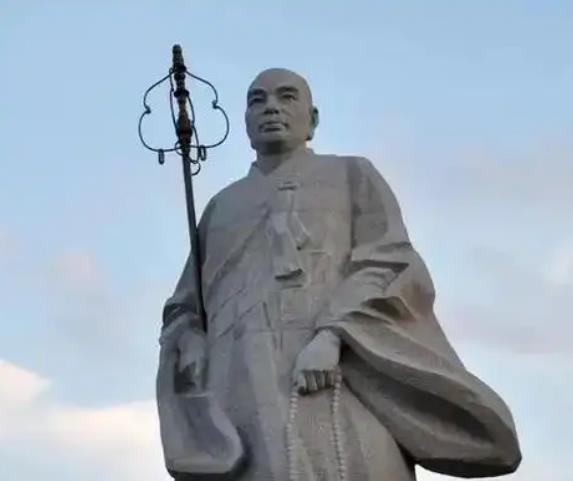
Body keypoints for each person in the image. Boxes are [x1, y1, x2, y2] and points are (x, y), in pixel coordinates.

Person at [157, 68, 521, 481]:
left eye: (286, 97)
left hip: (335, 370)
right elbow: (185, 306)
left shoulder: (352, 175)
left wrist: (333, 335)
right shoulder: (220, 207)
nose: (271, 108)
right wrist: (189, 339)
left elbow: (389, 262)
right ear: (245, 121)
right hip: (241, 383)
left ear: (312, 119)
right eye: (258, 100)